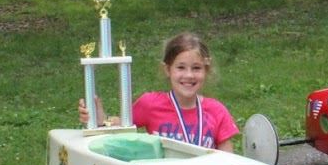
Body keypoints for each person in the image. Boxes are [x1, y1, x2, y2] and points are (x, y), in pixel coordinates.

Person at [77, 32, 239, 151]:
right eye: (181, 67)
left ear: (206, 70)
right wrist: (100, 119)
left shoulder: (217, 111)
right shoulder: (150, 104)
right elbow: (120, 126)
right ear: (167, 69)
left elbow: (228, 162)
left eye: (196, 68)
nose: (189, 75)